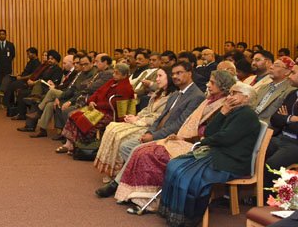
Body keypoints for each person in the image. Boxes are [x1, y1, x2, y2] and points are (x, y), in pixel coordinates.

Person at [114, 70, 236, 213]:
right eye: (209, 81)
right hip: (185, 139)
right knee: (142, 150)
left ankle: (150, 202)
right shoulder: (209, 100)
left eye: (212, 82)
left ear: (223, 86)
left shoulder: (224, 105)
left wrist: (195, 133)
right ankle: (135, 196)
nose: (208, 85)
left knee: (151, 155)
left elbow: (213, 131)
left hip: (198, 145)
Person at [95, 61, 205, 198]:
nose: (175, 76)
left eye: (179, 73)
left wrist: (154, 136)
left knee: (135, 150)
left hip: (173, 138)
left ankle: (117, 184)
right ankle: (132, 182)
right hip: (158, 132)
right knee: (126, 146)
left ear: (189, 73)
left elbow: (179, 124)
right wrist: (150, 132)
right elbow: (160, 118)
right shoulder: (176, 94)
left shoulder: (196, 96)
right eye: (173, 74)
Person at [158, 82, 261, 226]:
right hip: (219, 153)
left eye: (234, 93)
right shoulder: (232, 111)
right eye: (229, 93)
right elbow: (209, 131)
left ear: (246, 98)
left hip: (231, 161)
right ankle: (172, 212)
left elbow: (225, 138)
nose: (229, 96)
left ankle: (186, 218)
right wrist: (222, 112)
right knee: (175, 164)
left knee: (187, 175)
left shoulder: (247, 115)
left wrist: (204, 142)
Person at [94, 68, 174, 179]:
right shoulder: (159, 92)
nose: (157, 79)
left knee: (120, 136)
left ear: (169, 78)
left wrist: (138, 121)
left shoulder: (173, 96)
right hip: (142, 120)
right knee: (112, 127)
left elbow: (160, 117)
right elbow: (147, 109)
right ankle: (110, 170)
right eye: (157, 76)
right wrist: (136, 116)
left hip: (151, 127)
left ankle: (119, 172)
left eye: (160, 76)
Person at [56, 63, 135, 154]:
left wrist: (96, 104)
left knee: (83, 119)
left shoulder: (126, 88)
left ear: (124, 75)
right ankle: (69, 144)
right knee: (74, 115)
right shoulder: (112, 81)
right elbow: (98, 92)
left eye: (117, 73)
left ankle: (78, 145)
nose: (114, 75)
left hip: (110, 113)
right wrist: (91, 101)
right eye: (114, 72)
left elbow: (114, 105)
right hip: (97, 107)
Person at [0, 29, 15, 98]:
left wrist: (6, 61)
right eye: (0, 34)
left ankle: (6, 99)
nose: (1, 35)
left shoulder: (10, 45)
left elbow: (13, 55)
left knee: (7, 83)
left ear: (6, 35)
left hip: (7, 67)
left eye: (3, 34)